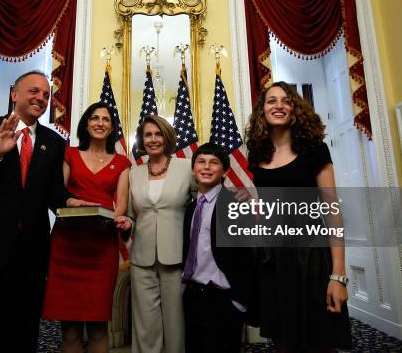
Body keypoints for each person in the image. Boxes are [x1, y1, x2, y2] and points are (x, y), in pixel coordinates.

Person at [0, 70, 72, 352]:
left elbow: (54, 192)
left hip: (30, 258)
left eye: (46, 95)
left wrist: (71, 203)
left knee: (21, 335)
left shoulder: (54, 142)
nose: (41, 98)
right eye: (34, 91)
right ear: (14, 94)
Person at [245, 81, 352, 351]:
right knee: (283, 340)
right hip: (274, 259)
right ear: (262, 110)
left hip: (311, 256)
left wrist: (337, 276)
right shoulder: (257, 154)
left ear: (295, 109)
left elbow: (332, 212)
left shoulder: (314, 149)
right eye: (271, 100)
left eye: (286, 100)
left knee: (319, 338)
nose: (279, 105)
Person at [42, 102, 132, 353]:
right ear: (86, 123)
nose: (100, 123)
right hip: (67, 246)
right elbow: (59, 192)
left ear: (112, 127)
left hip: (101, 247)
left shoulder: (123, 162)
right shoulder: (69, 154)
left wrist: (108, 218)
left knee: (98, 326)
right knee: (69, 328)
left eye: (105, 119)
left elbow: (121, 206)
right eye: (94, 118)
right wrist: (72, 202)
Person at [128, 115, 193, 353]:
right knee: (145, 325)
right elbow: (130, 216)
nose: (153, 139)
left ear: (167, 137)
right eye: (147, 135)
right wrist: (126, 224)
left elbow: (206, 199)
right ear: (141, 140)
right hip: (141, 259)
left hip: (177, 258)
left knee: (176, 323)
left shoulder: (186, 167)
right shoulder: (132, 173)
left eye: (158, 134)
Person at [181, 143, 255, 353]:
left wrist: (239, 302)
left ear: (225, 170)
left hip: (223, 301)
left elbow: (248, 256)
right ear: (193, 169)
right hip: (193, 297)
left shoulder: (235, 204)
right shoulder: (191, 209)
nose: (206, 167)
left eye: (214, 163)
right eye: (201, 162)